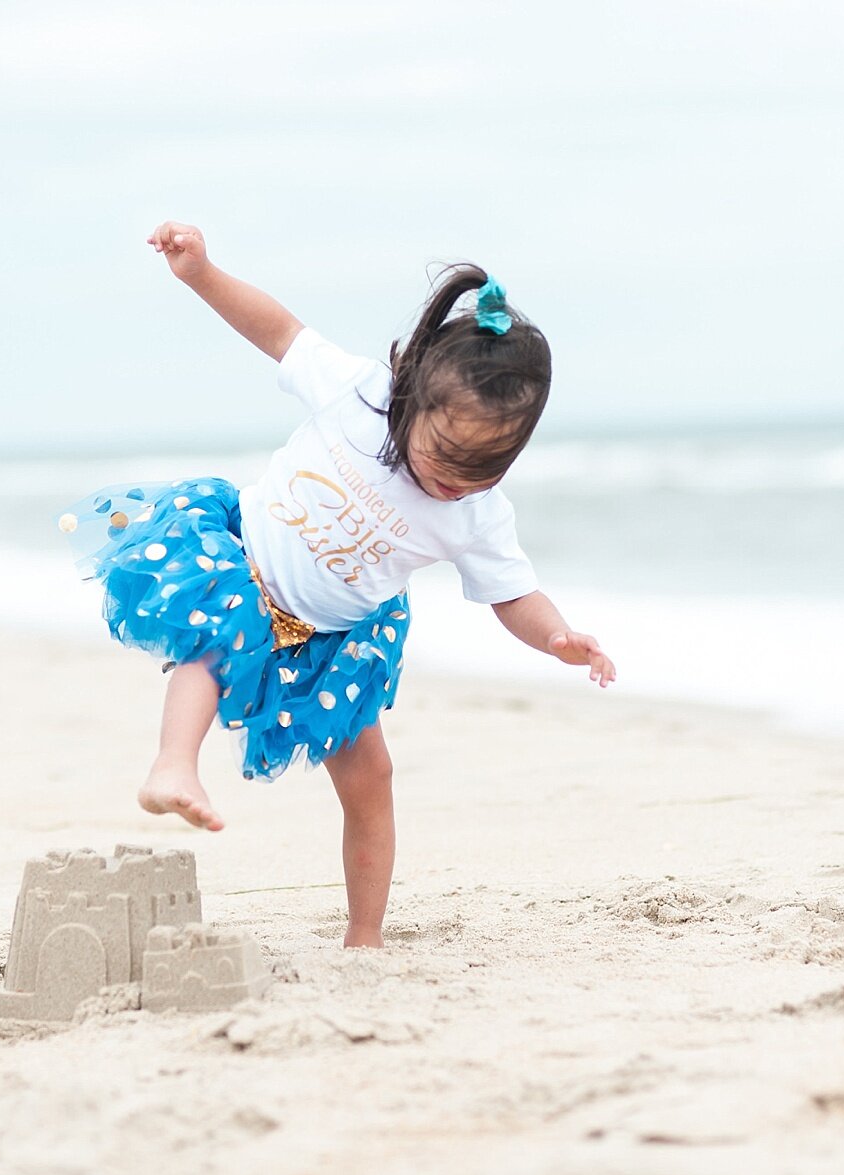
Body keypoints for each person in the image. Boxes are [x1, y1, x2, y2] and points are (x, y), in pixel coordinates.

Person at [57, 221, 616, 947]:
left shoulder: (475, 514)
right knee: (211, 647)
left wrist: (557, 637)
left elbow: (513, 593)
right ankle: (175, 766)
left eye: (488, 465)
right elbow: (278, 329)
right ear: (411, 394)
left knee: (371, 778)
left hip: (334, 643)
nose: (457, 478)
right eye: (445, 453)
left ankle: (365, 931)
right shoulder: (359, 395)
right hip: (243, 572)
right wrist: (201, 273)